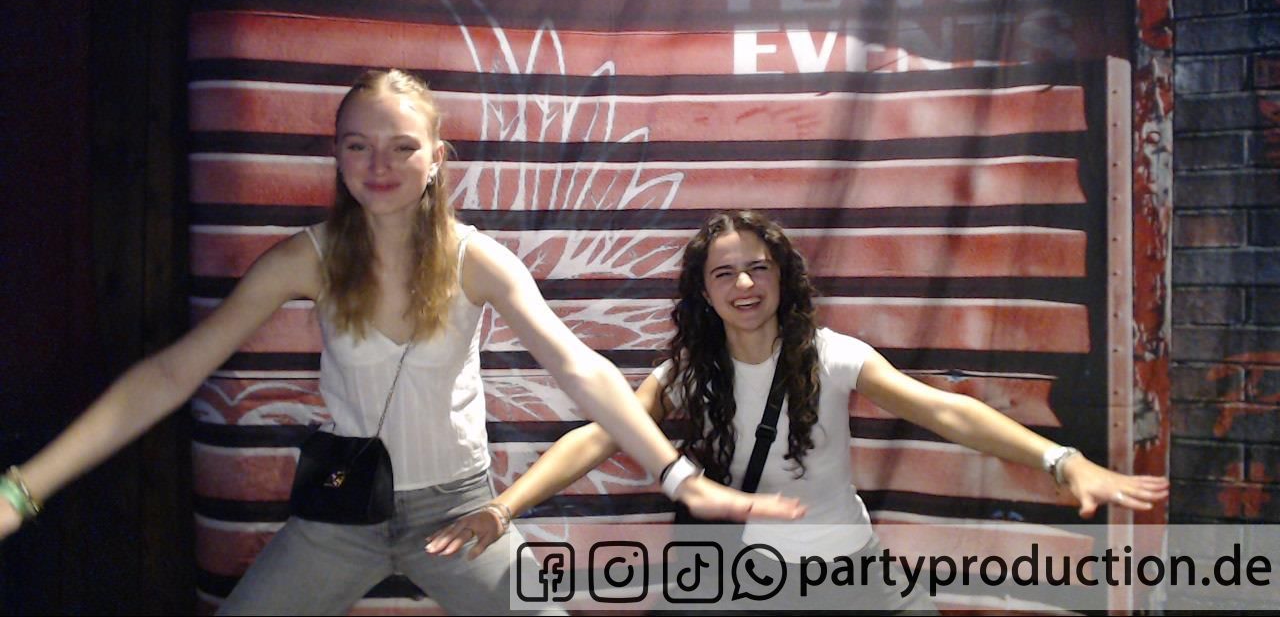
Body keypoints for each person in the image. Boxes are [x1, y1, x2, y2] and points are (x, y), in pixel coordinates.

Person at [0, 71, 802, 615]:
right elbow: (173, 373)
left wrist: (680, 477)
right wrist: (21, 490)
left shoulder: (478, 259)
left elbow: (576, 366)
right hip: (339, 515)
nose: (378, 164)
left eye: (402, 146)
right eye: (357, 145)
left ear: (437, 160)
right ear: (337, 155)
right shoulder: (304, 259)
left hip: (457, 514)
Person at [426, 209, 1171, 611]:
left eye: (758, 267)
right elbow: (598, 437)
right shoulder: (687, 374)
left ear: (783, 277)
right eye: (725, 274)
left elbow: (945, 412)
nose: (745, 285)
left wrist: (1061, 460)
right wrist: (503, 508)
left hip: (854, 574)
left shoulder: (830, 355)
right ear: (704, 293)